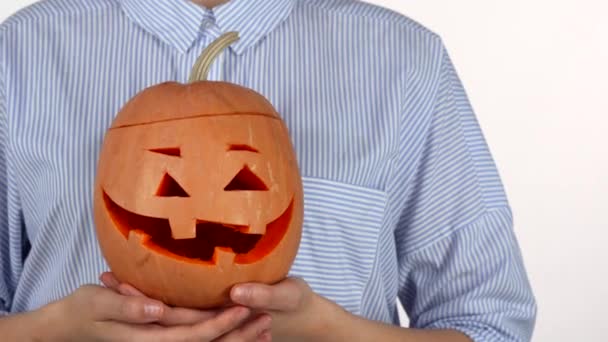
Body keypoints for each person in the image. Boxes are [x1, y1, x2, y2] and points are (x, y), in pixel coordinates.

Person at [0, 0, 537, 341]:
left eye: (244, 182)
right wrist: (52, 332)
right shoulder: (18, 54)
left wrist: (335, 335)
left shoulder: (404, 61)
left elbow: (492, 325)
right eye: (172, 184)